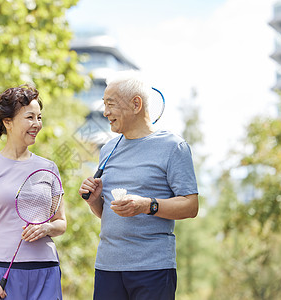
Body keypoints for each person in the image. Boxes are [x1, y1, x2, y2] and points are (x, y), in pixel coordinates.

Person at [79, 70, 199, 300]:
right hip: (107, 267)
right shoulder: (107, 150)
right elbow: (108, 214)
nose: (105, 112)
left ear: (136, 104)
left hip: (152, 269)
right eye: (104, 105)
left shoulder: (174, 147)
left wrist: (147, 205)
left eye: (110, 104)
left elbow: (191, 206)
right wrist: (94, 201)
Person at [0, 85, 67, 300]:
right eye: (29, 117)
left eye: (39, 117)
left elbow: (61, 222)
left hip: (45, 270)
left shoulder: (49, 168)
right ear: (8, 122)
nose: (37, 124)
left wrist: (46, 227)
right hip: (0, 272)